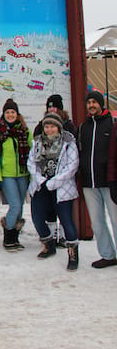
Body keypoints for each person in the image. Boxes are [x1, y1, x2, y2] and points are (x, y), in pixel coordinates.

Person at [27, 113, 80, 271]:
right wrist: (41, 180)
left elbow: (72, 165)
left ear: (58, 127)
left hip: (62, 188)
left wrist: (54, 182)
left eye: (52, 126)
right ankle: (49, 245)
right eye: (46, 126)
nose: (49, 130)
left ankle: (73, 253)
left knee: (66, 220)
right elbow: (31, 163)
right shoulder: (37, 142)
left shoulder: (68, 143)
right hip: (41, 186)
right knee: (37, 218)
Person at [33, 94, 77, 246]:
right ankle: (51, 240)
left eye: (55, 106)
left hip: (63, 180)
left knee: (64, 213)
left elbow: (73, 160)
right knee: (47, 212)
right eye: (49, 106)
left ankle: (65, 237)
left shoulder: (69, 128)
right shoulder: (41, 126)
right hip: (45, 179)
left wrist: (59, 179)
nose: (52, 109)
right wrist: (41, 179)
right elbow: (34, 157)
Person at [0, 99, 33, 252]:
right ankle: (8, 237)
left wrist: (32, 175)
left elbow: (32, 153)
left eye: (13, 112)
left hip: (22, 173)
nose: (10, 115)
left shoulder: (25, 131)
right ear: (4, 114)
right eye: (7, 112)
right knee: (15, 205)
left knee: (20, 207)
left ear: (17, 114)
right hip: (7, 174)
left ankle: (14, 238)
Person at [81, 91, 117, 268]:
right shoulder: (84, 127)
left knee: (116, 219)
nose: (91, 105)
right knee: (97, 222)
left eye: (95, 102)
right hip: (89, 182)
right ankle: (108, 254)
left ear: (101, 104)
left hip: (109, 181)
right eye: (89, 102)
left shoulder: (112, 124)